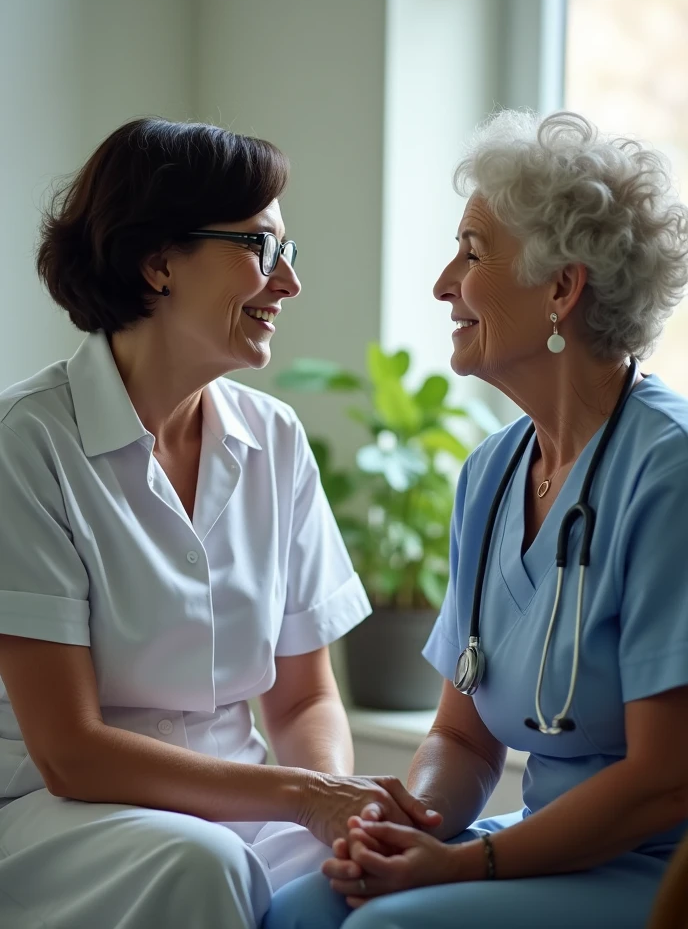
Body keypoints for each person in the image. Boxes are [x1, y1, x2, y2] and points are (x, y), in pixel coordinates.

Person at [0, 118, 440, 929]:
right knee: (205, 864)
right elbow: (69, 751)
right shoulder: (26, 444)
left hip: (246, 806)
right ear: (157, 261)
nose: (289, 283)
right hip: (62, 815)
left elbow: (306, 701)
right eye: (259, 248)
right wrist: (305, 796)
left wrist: (341, 816)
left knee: (383, 875)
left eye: (288, 251)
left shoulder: (273, 440)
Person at [263, 110, 688, 929]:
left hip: (658, 871)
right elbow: (462, 742)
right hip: (535, 845)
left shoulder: (668, 469)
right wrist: (403, 828)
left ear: (563, 288)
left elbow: (664, 780)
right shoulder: (491, 475)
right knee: (303, 912)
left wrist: (464, 863)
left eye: (472, 252)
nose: (442, 282)